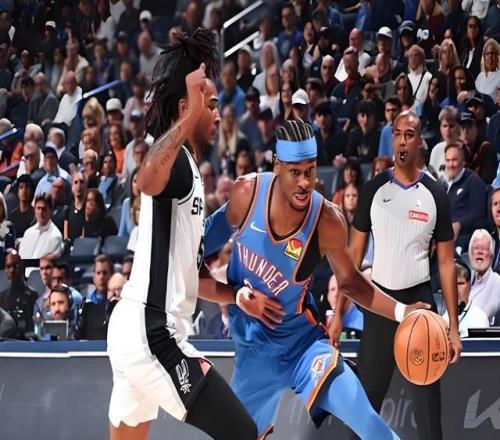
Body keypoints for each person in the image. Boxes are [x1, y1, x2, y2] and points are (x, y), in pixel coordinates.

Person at [203, 119, 430, 439]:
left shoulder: (327, 220)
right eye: (295, 172)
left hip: (304, 346)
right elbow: (192, 258)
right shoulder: (246, 195)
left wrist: (402, 311)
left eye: (310, 171)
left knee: (368, 421)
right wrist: (237, 295)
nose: (304, 183)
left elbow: (351, 282)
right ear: (277, 166)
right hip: (255, 353)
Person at [106, 28, 258, 440]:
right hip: (152, 331)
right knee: (243, 433)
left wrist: (235, 296)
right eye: (211, 105)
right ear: (186, 106)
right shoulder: (172, 161)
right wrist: (188, 118)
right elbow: (144, 180)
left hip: (136, 328)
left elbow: (192, 277)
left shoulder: (188, 168)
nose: (216, 115)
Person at [332, 110, 461, 440]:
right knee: (363, 409)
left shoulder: (435, 194)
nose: (402, 142)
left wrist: (453, 327)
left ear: (419, 142)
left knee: (428, 415)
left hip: (421, 308)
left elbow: (446, 263)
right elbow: (352, 260)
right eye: (398, 134)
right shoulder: (374, 189)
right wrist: (337, 317)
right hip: (379, 306)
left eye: (409, 135)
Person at [443, 143, 488, 249]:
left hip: (465, 240)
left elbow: (478, 214)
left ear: (463, 162)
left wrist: (459, 224)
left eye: (454, 160)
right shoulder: (445, 183)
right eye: (448, 160)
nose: (450, 164)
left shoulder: (474, 181)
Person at [443, 261, 489, 337]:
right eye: (451, 284)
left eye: (460, 284)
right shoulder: (440, 319)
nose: (456, 289)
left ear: (469, 286)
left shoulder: (479, 317)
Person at [0, 251, 37, 339]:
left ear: (22, 268)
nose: (12, 270)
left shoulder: (33, 296)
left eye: (15, 266)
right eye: (8, 267)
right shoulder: (2, 296)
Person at [18, 194, 64, 261]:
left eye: (44, 209)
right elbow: (21, 257)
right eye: (38, 208)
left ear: (50, 211)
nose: (40, 212)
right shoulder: (28, 232)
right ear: (34, 210)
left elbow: (47, 260)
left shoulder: (56, 235)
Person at [468, 229, 500, 322]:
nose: (480, 252)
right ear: (470, 253)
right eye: (476, 248)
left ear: (491, 255)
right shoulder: (466, 280)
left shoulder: (497, 282)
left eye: (484, 249)